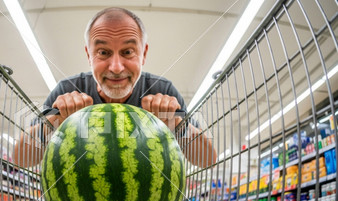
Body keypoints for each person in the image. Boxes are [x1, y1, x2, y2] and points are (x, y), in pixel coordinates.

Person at [14, 7, 217, 168]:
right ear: (89, 54)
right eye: (103, 52)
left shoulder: (162, 91)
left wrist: (177, 125)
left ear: (143, 53)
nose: (116, 68)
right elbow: (21, 159)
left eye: (128, 52)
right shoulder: (67, 90)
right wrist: (54, 122)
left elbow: (207, 160)